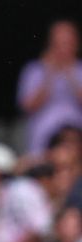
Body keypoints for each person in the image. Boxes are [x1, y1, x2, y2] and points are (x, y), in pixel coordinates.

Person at [19, 20, 82, 157]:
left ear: (76, 44)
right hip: (42, 145)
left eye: (67, 43)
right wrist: (49, 74)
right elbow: (27, 106)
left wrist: (70, 74)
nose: (62, 48)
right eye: (57, 43)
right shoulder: (34, 70)